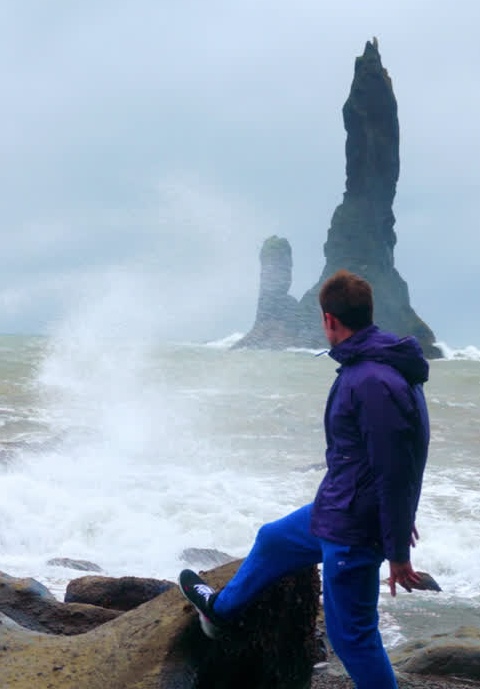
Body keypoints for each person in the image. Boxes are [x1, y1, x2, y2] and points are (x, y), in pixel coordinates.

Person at [180, 269, 430, 689]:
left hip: (353, 526)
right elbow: (404, 455)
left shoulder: (371, 379)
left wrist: (397, 545)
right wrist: (397, 515)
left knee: (354, 639)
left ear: (329, 320)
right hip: (341, 507)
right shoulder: (377, 366)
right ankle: (221, 611)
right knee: (274, 538)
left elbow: (396, 466)